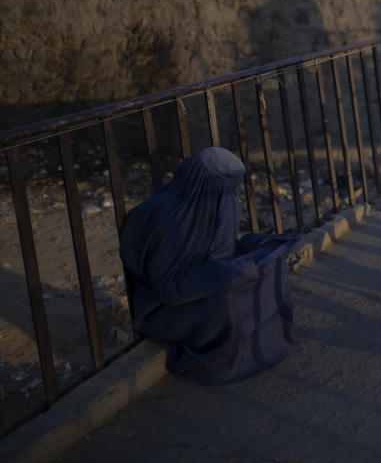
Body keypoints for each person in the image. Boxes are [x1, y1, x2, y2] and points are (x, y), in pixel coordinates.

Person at [119, 147, 305, 384]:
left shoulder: (210, 202)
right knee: (228, 299)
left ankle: (268, 344)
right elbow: (170, 287)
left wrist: (264, 245)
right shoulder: (166, 219)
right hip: (166, 307)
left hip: (208, 281)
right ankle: (221, 359)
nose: (232, 195)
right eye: (229, 188)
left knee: (272, 266)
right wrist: (227, 275)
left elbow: (221, 251)